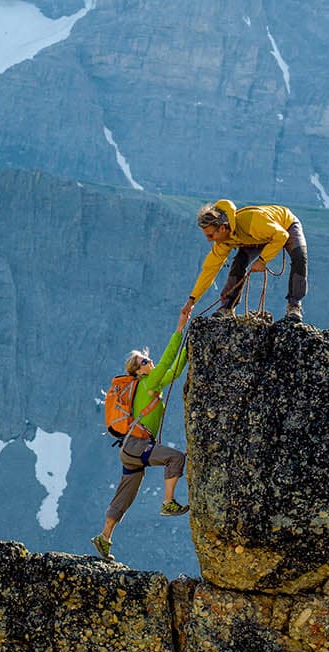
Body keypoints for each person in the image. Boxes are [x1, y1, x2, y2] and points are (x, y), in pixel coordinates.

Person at [91, 311, 191, 563]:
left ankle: (104, 537)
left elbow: (176, 369)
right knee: (176, 459)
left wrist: (190, 349)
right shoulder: (149, 381)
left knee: (125, 495)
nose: (150, 361)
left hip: (130, 450)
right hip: (138, 446)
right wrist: (180, 330)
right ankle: (168, 502)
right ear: (140, 371)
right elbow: (170, 359)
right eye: (145, 360)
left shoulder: (149, 385)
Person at [179, 199, 308, 323]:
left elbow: (282, 236)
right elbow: (209, 271)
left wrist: (262, 260)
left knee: (299, 257)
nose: (209, 240)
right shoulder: (223, 242)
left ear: (222, 228)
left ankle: (294, 306)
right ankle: (227, 308)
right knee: (239, 263)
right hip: (255, 238)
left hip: (285, 225)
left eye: (211, 235)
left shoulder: (252, 221)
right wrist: (191, 301)